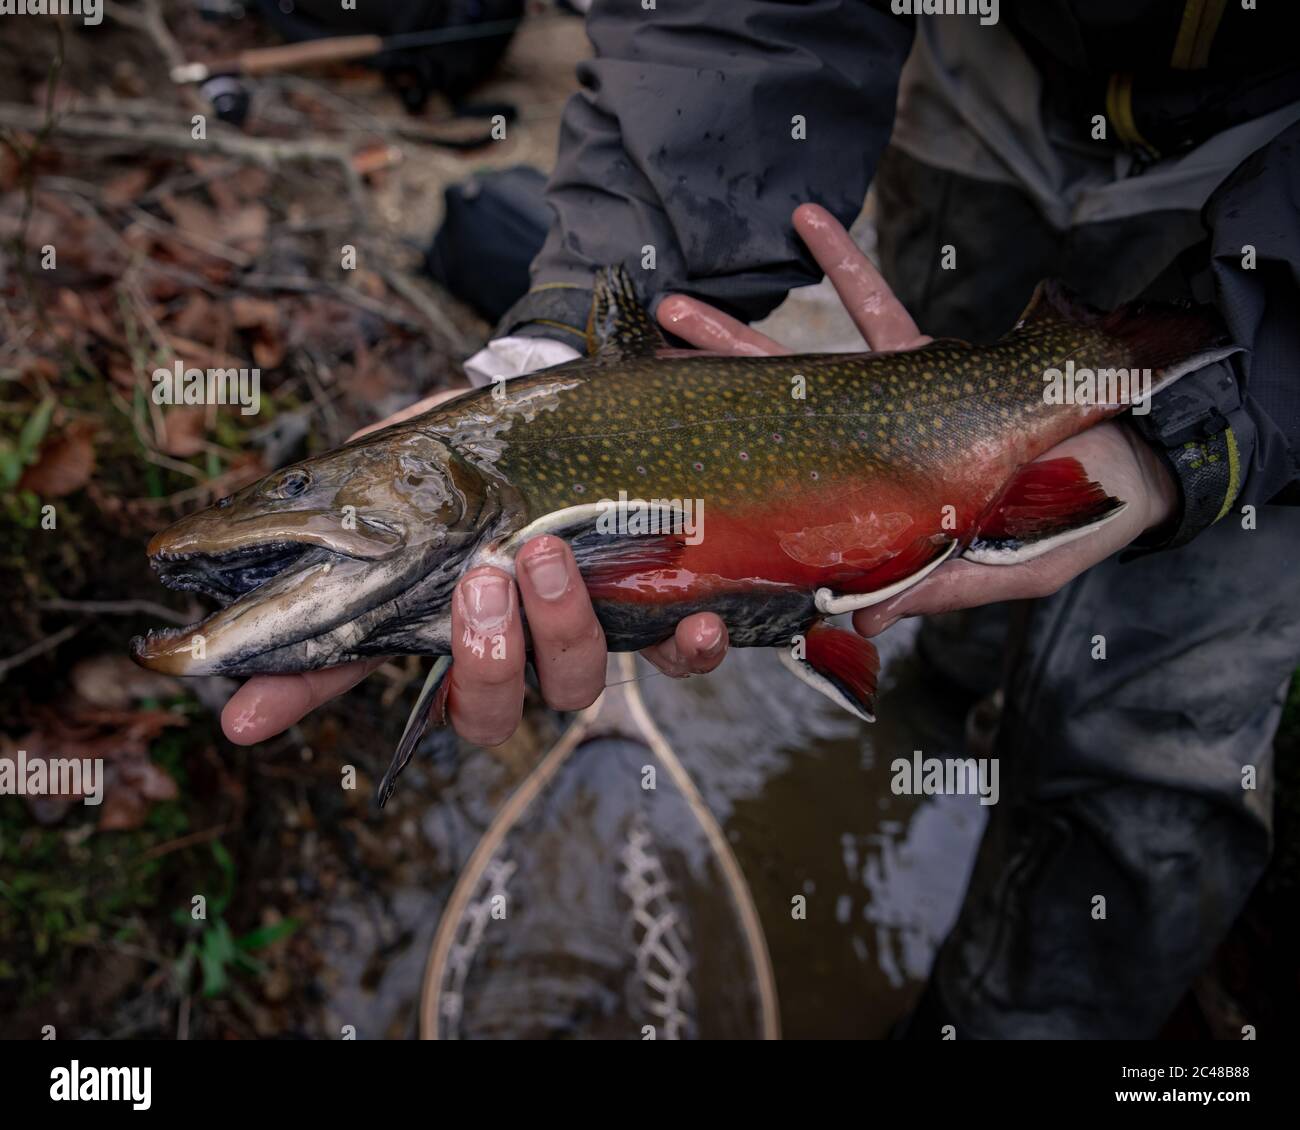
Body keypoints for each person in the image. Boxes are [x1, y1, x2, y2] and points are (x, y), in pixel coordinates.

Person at [221, 2, 1300, 1037]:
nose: (300, 509)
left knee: (1153, 736)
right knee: (958, 576)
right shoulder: (468, 478)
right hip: (991, 78)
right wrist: (564, 337)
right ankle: (938, 707)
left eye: (306, 493)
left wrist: (1205, 419)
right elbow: (741, 20)